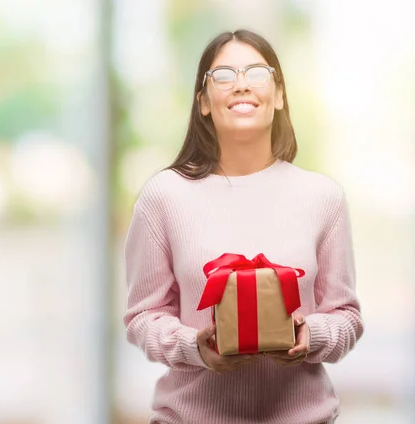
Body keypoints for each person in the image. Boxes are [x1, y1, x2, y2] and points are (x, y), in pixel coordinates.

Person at [122, 29, 364, 424]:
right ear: (203, 101)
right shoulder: (163, 196)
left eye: (256, 73)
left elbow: (346, 316)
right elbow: (143, 318)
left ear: (280, 95)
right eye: (223, 76)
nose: (240, 85)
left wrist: (310, 336)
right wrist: (194, 347)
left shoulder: (323, 197)